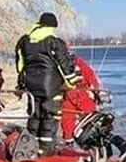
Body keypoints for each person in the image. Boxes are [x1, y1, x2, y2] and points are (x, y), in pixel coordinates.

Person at [14, 12, 78, 153]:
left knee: (34, 114)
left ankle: (30, 145)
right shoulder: (54, 41)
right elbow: (64, 63)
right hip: (51, 84)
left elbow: (20, 64)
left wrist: (21, 82)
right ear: (53, 25)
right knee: (50, 115)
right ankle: (46, 149)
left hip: (31, 83)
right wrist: (72, 80)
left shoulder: (24, 40)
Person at [61, 53, 108, 142]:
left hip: (82, 94)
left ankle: (99, 140)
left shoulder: (78, 62)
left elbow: (90, 75)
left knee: (92, 118)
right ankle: (69, 142)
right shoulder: (55, 63)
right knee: (67, 121)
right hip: (67, 96)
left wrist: (94, 90)